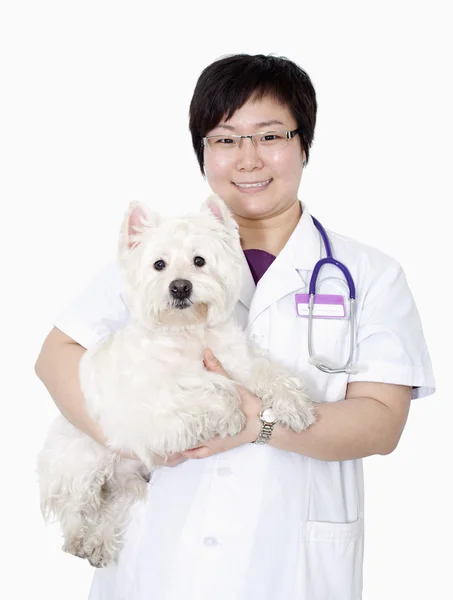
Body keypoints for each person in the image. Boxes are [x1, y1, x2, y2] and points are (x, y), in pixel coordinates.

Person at [35, 53, 435, 600]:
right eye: (225, 139)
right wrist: (134, 439)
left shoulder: (369, 274)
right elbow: (56, 355)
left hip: (290, 565)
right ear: (204, 151)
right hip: (157, 562)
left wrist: (260, 424)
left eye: (269, 135)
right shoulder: (158, 255)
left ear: (303, 144)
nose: (248, 159)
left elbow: (383, 423)